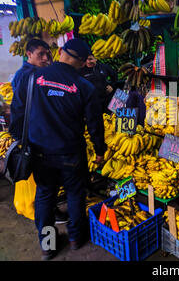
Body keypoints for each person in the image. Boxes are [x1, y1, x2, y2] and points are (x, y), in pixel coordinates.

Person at [10, 38, 107, 260]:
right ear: (83, 63)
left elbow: (17, 111)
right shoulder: (85, 87)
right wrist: (99, 150)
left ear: (60, 52)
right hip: (71, 153)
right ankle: (74, 239)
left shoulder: (32, 77)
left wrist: (18, 138)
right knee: (75, 194)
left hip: (39, 151)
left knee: (45, 196)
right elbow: (95, 124)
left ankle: (48, 246)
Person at [9, 39, 69, 225]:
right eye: (40, 54)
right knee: (46, 188)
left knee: (46, 187)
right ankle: (48, 233)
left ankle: (48, 232)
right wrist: (21, 137)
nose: (45, 57)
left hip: (44, 136)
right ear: (28, 54)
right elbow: (18, 109)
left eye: (47, 54)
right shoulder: (27, 76)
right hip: (37, 139)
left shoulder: (37, 73)